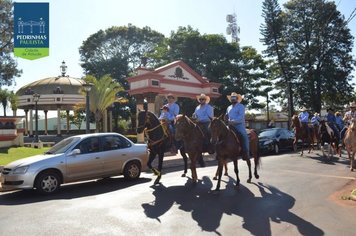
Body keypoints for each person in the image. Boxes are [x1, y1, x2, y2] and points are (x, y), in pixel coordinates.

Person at [225, 92, 249, 160]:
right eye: (232, 98)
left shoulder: (241, 106)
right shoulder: (228, 107)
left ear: (237, 98)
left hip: (239, 125)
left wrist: (232, 121)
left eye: (234, 97)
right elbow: (227, 115)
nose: (233, 99)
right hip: (230, 125)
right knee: (221, 133)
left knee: (244, 135)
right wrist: (226, 118)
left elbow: (241, 117)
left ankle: (246, 152)